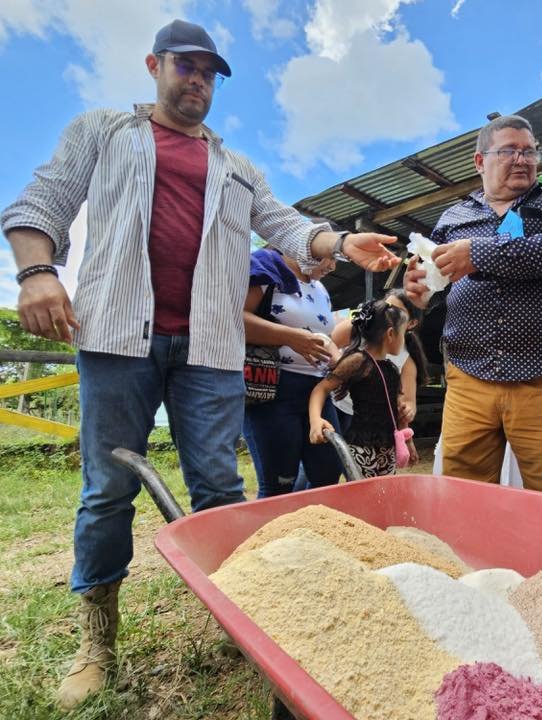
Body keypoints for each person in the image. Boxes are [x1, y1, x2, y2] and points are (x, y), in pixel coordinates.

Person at [0, 18, 398, 710]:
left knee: (218, 484)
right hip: (118, 336)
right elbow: (43, 201)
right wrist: (37, 271)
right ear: (153, 65)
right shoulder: (104, 132)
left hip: (211, 348)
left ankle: (237, 614)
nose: (198, 81)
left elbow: (287, 225)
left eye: (210, 73)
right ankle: (97, 640)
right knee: (108, 488)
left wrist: (339, 242)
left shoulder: (236, 167)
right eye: (186, 66)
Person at [403, 114, 542, 496]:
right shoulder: (454, 217)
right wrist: (420, 290)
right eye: (508, 151)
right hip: (468, 379)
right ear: (479, 161)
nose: (522, 160)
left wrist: (477, 254)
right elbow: (434, 281)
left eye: (529, 151)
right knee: (464, 493)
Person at [242, 247, 344, 497]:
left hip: (317, 389)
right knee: (280, 481)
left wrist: (337, 359)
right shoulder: (266, 268)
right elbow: (235, 320)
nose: (333, 267)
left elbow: (322, 335)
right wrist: (290, 337)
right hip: (272, 389)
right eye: (330, 257)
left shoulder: (320, 288)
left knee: (328, 472)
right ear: (305, 246)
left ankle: (312, 520)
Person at [309, 299, 408, 477]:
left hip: (388, 449)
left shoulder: (391, 368)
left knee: (385, 493)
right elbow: (321, 389)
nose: (404, 340)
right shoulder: (358, 361)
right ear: (390, 334)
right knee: (362, 492)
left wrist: (408, 440)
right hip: (362, 448)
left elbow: (395, 407)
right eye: (403, 333)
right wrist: (315, 419)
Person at [330, 288, 429, 464]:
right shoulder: (357, 328)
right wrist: (343, 366)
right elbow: (328, 344)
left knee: (354, 467)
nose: (386, 313)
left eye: (395, 311)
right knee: (325, 463)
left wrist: (408, 417)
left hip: (368, 419)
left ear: (411, 323)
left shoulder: (406, 359)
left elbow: (407, 402)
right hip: (336, 405)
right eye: (386, 305)